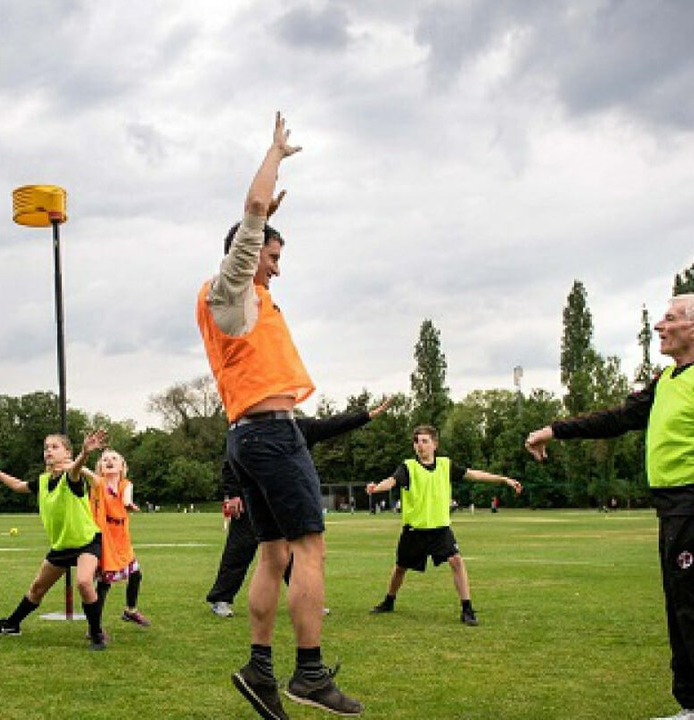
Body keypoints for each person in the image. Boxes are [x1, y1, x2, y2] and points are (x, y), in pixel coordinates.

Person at [195, 112, 361, 719]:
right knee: (310, 549)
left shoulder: (250, 295)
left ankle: (260, 672)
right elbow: (252, 207)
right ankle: (310, 675)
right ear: (246, 251)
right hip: (269, 434)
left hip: (249, 437)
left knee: (274, 555)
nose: (276, 265)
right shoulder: (230, 285)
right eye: (271, 254)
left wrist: (266, 217)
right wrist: (274, 157)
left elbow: (259, 224)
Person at [525, 293, 694, 720]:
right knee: (682, 610)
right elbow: (618, 418)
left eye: (670, 319)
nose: (659, 326)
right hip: (672, 512)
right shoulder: (667, 379)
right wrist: (553, 429)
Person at [205, 400, 392, 619]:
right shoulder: (250, 429)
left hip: (283, 499)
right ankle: (221, 598)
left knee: (292, 552)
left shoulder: (299, 428)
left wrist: (366, 416)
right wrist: (233, 494)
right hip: (250, 498)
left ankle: (306, 600)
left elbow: (333, 424)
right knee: (240, 547)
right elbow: (231, 463)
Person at [364, 425, 522, 626]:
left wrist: (504, 480)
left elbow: (473, 475)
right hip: (414, 530)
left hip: (440, 529)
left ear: (435, 444)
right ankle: (389, 600)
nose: (420, 445)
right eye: (417, 442)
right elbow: (392, 481)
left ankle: (467, 609)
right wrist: (376, 487)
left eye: (425, 441)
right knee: (400, 568)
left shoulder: (446, 465)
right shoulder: (408, 467)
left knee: (456, 561)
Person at [0, 430, 110, 650]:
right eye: (46, 447)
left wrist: (84, 454)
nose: (49, 451)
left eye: (55, 447)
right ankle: (11, 625)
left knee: (84, 582)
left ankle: (96, 634)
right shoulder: (42, 481)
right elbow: (18, 486)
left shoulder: (71, 476)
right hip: (61, 546)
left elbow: (77, 468)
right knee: (37, 590)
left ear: (67, 452)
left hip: (86, 541)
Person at [83, 449, 149, 627]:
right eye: (105, 460)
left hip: (121, 538)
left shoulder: (125, 484)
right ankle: (94, 626)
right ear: (100, 468)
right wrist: (77, 465)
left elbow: (126, 498)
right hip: (105, 539)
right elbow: (88, 475)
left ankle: (130, 610)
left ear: (122, 466)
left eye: (114, 459)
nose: (109, 461)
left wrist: (128, 505)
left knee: (135, 575)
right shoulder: (98, 484)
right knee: (104, 584)